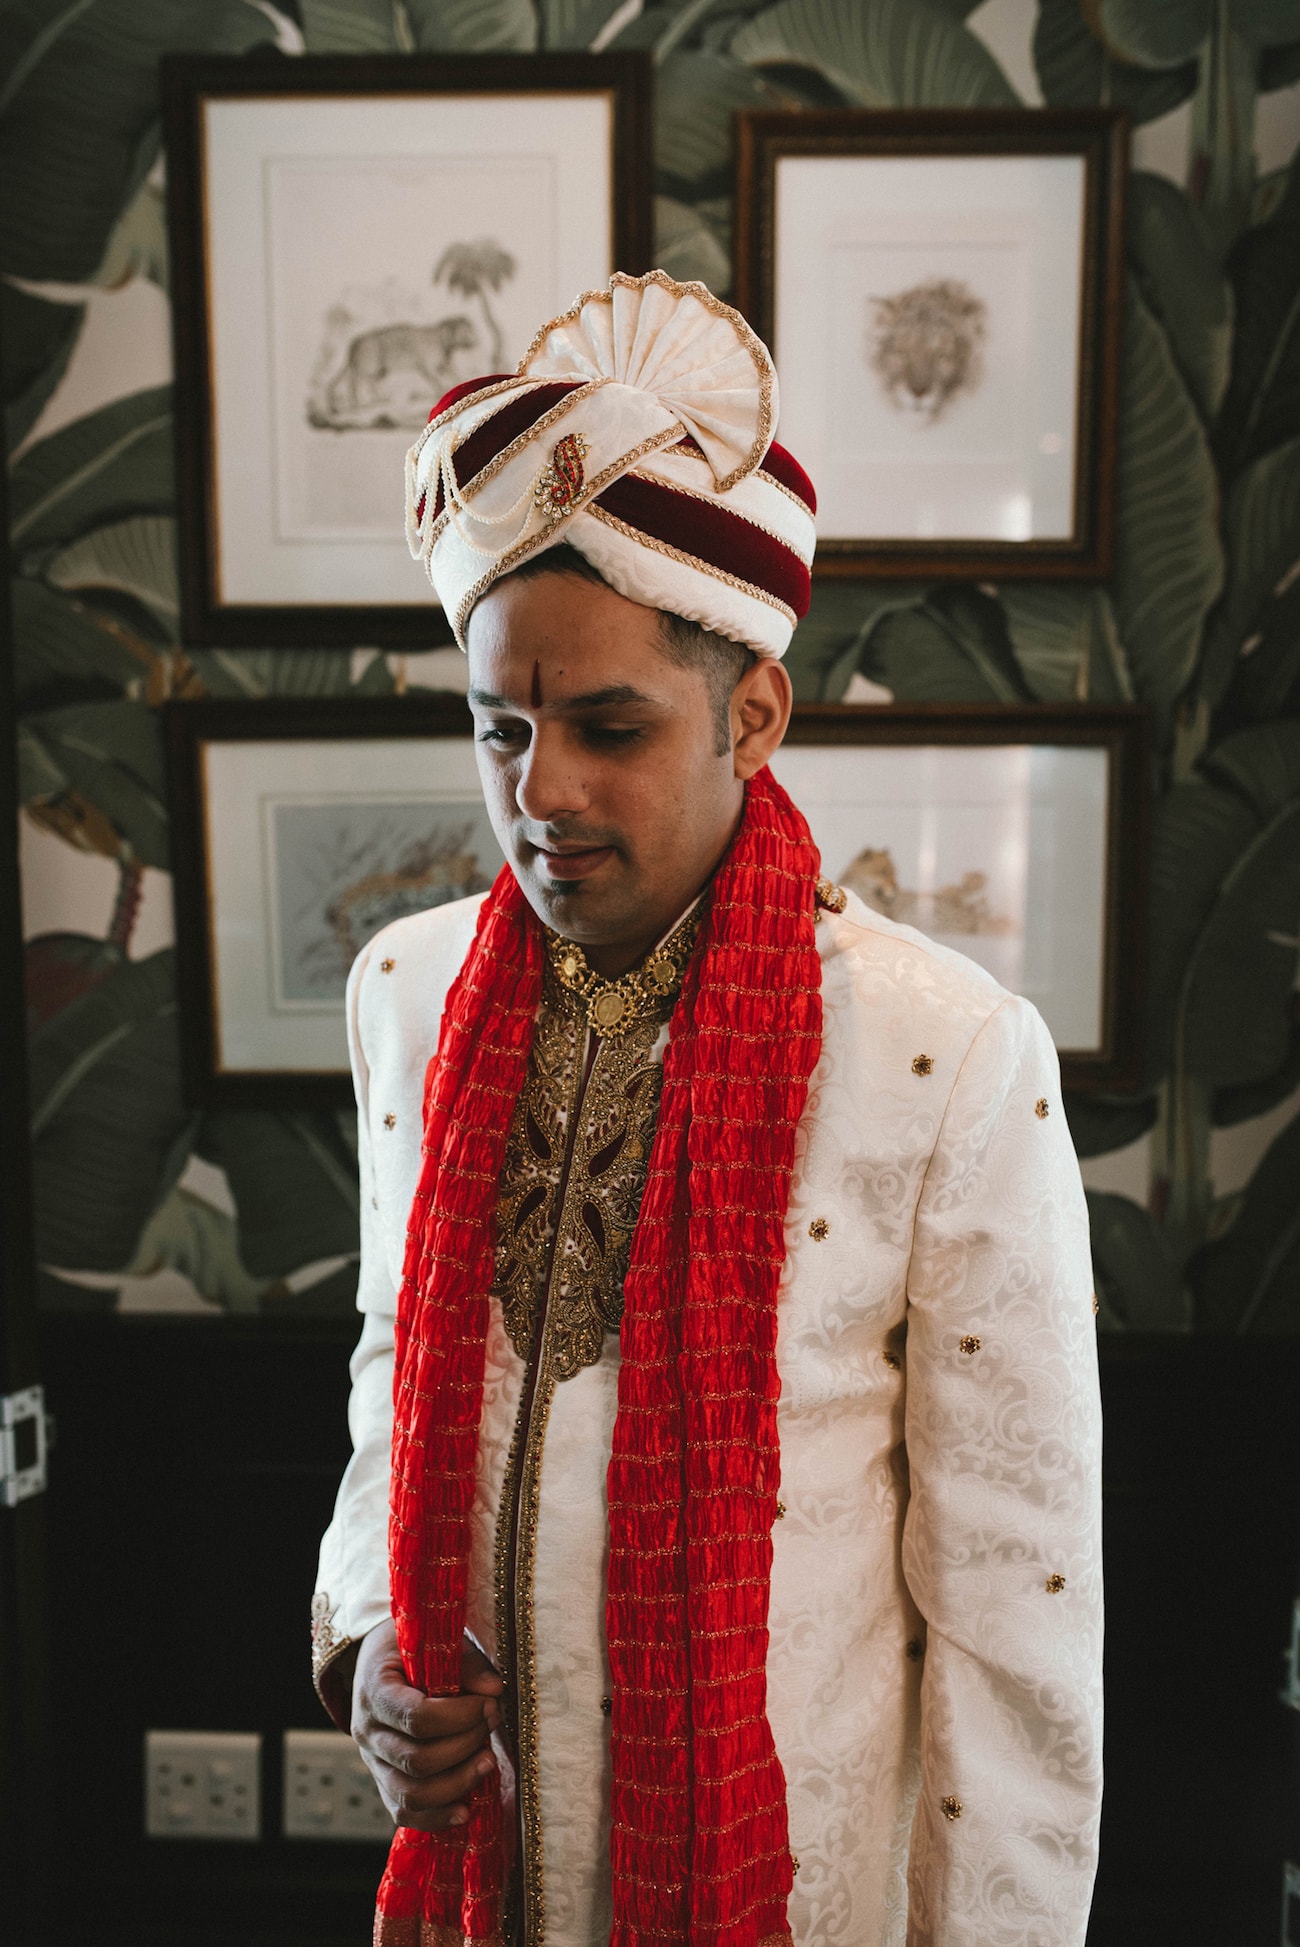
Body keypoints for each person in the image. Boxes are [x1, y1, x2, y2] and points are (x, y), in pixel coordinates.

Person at [313, 271, 1103, 1947]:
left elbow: (1012, 1622)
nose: (542, 794)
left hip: (788, 1887)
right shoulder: (406, 994)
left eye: (610, 728)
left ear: (755, 713)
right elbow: (397, 1365)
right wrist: (369, 1640)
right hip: (486, 1884)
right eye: (499, 727)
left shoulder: (942, 1053)